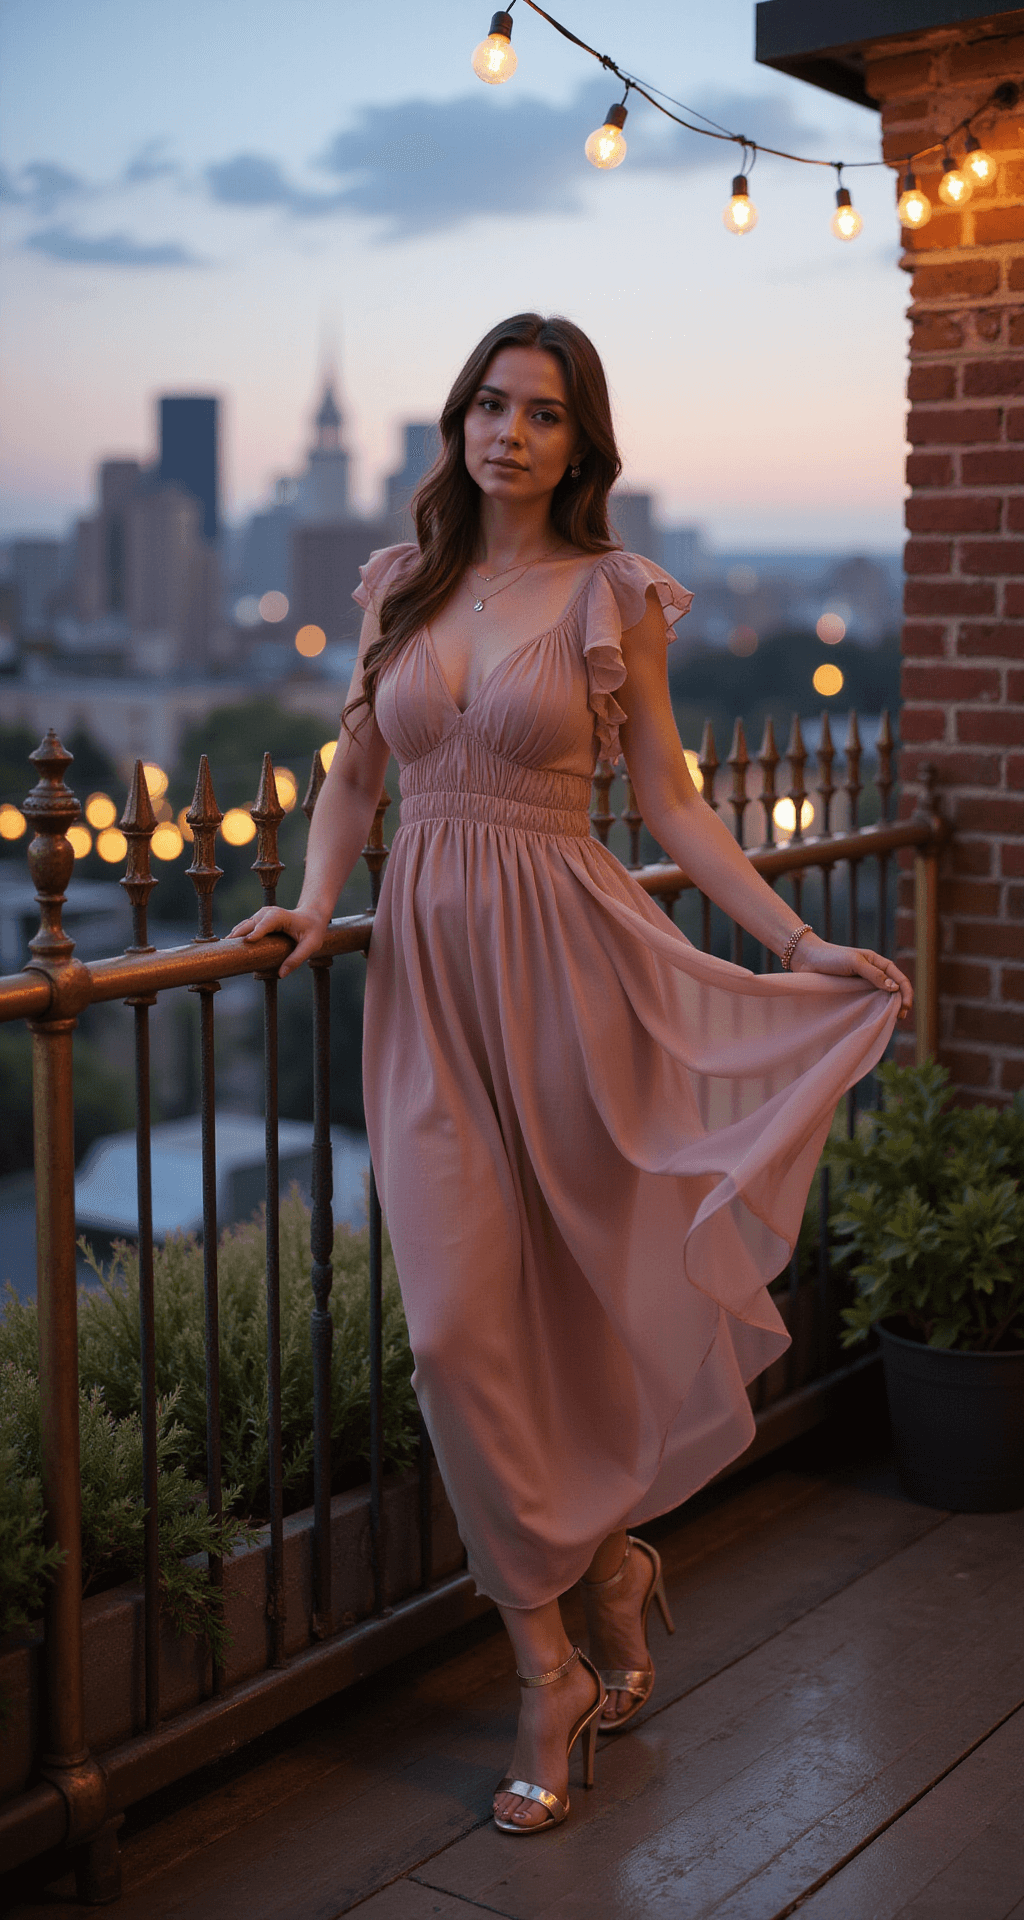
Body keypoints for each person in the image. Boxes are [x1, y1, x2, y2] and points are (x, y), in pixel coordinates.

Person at [233, 312, 911, 1836]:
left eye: (542, 412)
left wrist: (797, 937)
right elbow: (357, 769)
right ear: (458, 424)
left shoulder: (616, 594)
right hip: (423, 983)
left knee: (584, 1303)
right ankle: (567, 1627)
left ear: (579, 442)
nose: (509, 433)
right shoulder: (397, 589)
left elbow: (666, 795)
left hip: (569, 967)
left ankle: (590, 1591)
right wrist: (315, 898)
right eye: (488, 403)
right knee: (455, 1332)